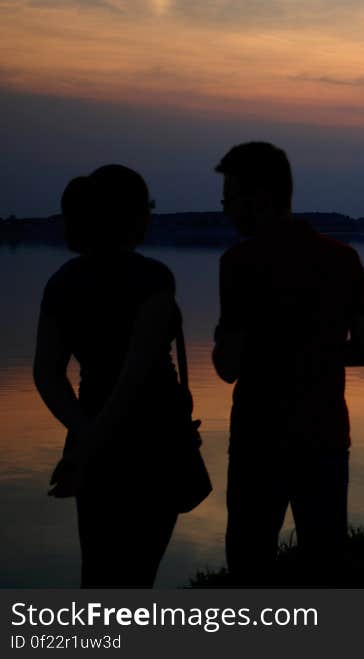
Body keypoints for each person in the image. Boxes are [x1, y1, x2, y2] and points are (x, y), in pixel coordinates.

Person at [212, 141, 364, 585]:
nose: (226, 210)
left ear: (260, 197)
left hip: (258, 441)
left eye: (230, 198)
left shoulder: (239, 264)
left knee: (250, 567)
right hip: (325, 438)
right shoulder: (344, 259)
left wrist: (262, 350)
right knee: (324, 567)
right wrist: (316, 350)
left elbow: (227, 366)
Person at [33, 165, 186, 588]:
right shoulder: (153, 277)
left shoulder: (63, 282)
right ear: (133, 216)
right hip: (154, 436)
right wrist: (92, 445)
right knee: (137, 576)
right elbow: (136, 376)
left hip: (91, 428)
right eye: (148, 209)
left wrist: (84, 436)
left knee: (98, 574)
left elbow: (46, 375)